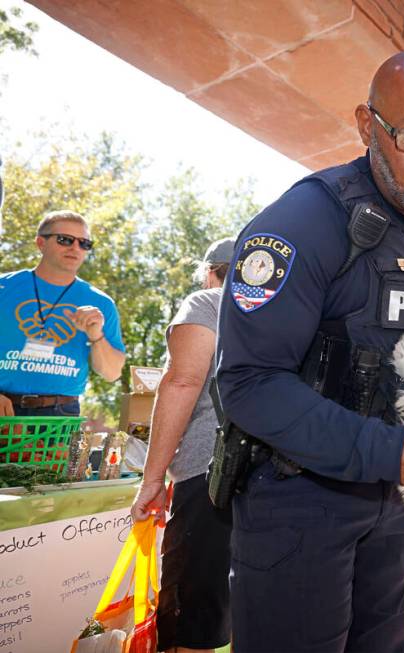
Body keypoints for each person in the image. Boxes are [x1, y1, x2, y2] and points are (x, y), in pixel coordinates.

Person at [215, 50, 404, 653]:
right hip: (301, 502)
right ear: (367, 125)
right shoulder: (307, 221)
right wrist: (399, 452)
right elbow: (249, 382)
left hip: (402, 504)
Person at [130, 238, 235, 653]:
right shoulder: (294, 306)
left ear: (212, 272)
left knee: (192, 624)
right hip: (277, 479)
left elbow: (183, 381)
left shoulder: (208, 301)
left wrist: (152, 479)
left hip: (209, 477)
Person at [0, 210, 125, 416]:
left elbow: (111, 373)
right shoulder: (4, 287)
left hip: (60, 414)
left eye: (84, 243)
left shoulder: (101, 303)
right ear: (41, 243)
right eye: (65, 240)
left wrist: (96, 335)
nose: (75, 248)